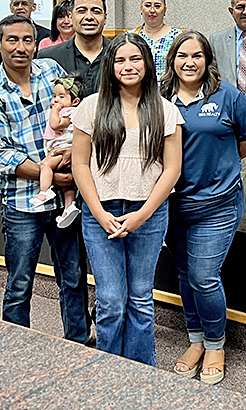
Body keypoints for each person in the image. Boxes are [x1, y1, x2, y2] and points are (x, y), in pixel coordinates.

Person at [0, 14, 89, 343]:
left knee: (73, 277)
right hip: (22, 202)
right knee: (20, 282)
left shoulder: (51, 71)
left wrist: (73, 160)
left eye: (27, 40)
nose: (21, 47)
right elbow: (1, 154)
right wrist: (52, 175)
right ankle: (17, 348)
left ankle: (79, 343)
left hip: (64, 202)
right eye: (12, 40)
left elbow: (76, 118)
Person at [71, 32, 183, 364]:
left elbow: (172, 169)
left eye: (135, 59)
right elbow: (80, 164)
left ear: (147, 63)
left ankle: (141, 374)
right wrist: (98, 212)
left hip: (147, 214)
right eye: (120, 60)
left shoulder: (166, 110)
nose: (128, 66)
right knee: (110, 300)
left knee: (140, 298)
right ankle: (108, 372)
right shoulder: (90, 107)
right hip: (100, 213)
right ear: (110, 65)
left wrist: (142, 215)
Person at [161, 30, 246, 385]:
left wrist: (221, 166)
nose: (189, 62)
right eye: (182, 56)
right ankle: (196, 341)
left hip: (218, 204)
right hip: (173, 205)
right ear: (172, 61)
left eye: (197, 56)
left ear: (208, 60)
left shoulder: (228, 96)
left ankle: (216, 345)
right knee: (185, 275)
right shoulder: (160, 98)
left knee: (203, 276)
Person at [30, 74, 83, 228]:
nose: (56, 100)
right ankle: (69, 207)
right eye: (54, 96)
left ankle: (44, 191)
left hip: (62, 150)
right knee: (67, 186)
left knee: (45, 165)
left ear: (75, 102)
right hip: (62, 150)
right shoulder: (66, 110)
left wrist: (55, 109)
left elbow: (56, 124)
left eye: (61, 96)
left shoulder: (70, 112)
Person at [40, 0, 111, 96]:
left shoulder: (119, 54)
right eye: (81, 11)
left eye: (96, 11)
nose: (89, 17)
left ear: (105, 18)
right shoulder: (49, 57)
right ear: (71, 17)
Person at [0, 0, 51, 76]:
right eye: (16, 4)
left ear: (33, 7)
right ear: (11, 8)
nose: (20, 7)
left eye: (24, 4)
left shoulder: (46, 35)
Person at [132, 0, 182, 79]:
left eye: (157, 6)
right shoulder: (131, 36)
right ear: (141, 8)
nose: (152, 10)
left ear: (164, 10)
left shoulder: (177, 36)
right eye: (148, 5)